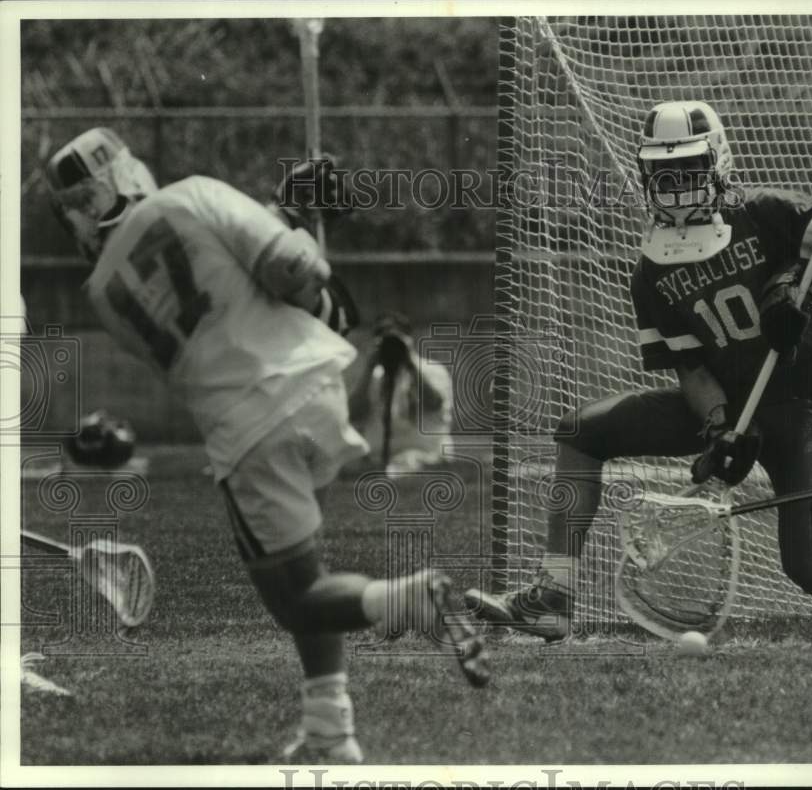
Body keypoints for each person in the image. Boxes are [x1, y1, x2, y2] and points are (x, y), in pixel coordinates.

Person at [45, 128, 487, 764]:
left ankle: (413, 600)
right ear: (127, 173)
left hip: (250, 427)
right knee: (309, 578)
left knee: (298, 599)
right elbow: (297, 274)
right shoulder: (192, 194)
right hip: (318, 390)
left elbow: (210, 296)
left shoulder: (101, 293)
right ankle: (330, 730)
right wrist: (296, 225)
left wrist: (290, 225)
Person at [467, 101, 812, 651]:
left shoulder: (763, 211)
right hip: (724, 403)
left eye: (688, 168)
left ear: (717, 161)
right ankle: (552, 597)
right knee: (581, 430)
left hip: (792, 404)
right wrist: (718, 426)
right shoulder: (652, 268)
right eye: (664, 173)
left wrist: (803, 283)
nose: (677, 185)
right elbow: (690, 367)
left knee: (808, 566)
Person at [347, 311, 454, 476]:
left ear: (410, 340)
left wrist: (410, 364)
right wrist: (369, 368)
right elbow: (353, 415)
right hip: (379, 458)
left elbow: (434, 404)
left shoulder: (432, 370)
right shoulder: (373, 377)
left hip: (425, 455)